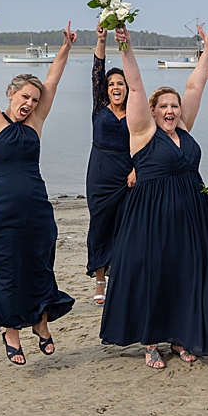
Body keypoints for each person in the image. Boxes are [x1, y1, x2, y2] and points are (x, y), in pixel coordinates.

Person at [98, 26, 208, 368]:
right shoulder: (142, 133)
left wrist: (207, 50)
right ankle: (151, 342)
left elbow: (195, 84)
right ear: (151, 111)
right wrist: (125, 48)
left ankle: (182, 337)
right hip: (150, 216)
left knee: (186, 272)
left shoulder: (184, 129)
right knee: (153, 273)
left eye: (175, 106)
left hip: (191, 215)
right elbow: (135, 85)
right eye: (163, 106)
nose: (170, 110)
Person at [0, 20, 76, 365]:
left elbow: (52, 82)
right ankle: (11, 332)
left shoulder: (36, 125)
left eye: (34, 100)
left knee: (39, 264)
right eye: (25, 96)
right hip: (4, 208)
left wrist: (66, 48)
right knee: (5, 268)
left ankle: (40, 323)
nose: (29, 103)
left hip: (37, 206)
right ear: (11, 94)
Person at [86, 25, 136, 305]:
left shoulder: (137, 111)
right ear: (106, 89)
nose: (116, 87)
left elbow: (145, 143)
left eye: (121, 83)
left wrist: (136, 168)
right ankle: (100, 280)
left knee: (126, 225)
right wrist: (102, 39)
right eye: (111, 84)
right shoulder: (99, 107)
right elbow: (97, 68)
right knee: (100, 224)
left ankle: (122, 277)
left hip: (126, 172)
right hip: (100, 172)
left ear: (128, 87)